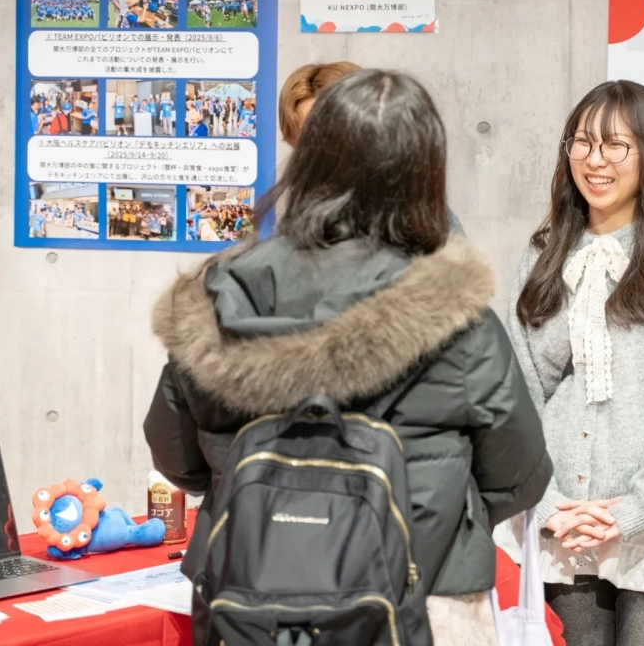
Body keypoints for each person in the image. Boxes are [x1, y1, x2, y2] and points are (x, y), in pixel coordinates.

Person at [145, 68, 552, 645]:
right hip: (424, 596)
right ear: (423, 174)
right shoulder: (457, 316)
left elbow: (176, 454)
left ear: (308, 161)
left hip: (249, 598)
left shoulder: (221, 293)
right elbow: (520, 470)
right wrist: (430, 514)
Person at [507, 80, 644, 646]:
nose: (594, 160)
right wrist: (551, 502)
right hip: (566, 516)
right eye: (581, 143)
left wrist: (638, 507)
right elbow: (517, 389)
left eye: (615, 146)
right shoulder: (543, 252)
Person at [278, 61, 466, 235]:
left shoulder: (427, 223)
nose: (319, 153)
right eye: (306, 140)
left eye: (331, 136)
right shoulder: (289, 223)